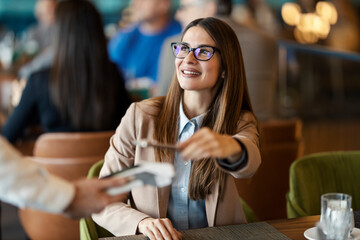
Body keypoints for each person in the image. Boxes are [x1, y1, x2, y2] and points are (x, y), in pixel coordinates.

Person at [93, 17, 261, 239]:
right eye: (184, 49)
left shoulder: (239, 121)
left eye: (203, 52)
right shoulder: (139, 117)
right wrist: (142, 223)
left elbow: (249, 163)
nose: (188, 59)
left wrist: (228, 146)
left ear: (225, 68)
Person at [1, 0, 131, 143]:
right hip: (104, 165)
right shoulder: (113, 75)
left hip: (50, 166)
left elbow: (7, 137)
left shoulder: (38, 82)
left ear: (59, 34)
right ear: (98, 32)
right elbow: (128, 130)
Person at [156, 0, 278, 120]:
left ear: (210, 8)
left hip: (206, 133)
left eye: (184, 7)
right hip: (269, 136)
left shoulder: (177, 45)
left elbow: (162, 105)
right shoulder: (266, 41)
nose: (178, 15)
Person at [0, 136, 128, 219]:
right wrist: (70, 196)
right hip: (99, 195)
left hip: (46, 218)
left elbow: (10, 132)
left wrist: (70, 196)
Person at [108, 0, 181, 95]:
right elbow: (108, 79)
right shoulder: (123, 38)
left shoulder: (180, 38)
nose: (136, 3)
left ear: (164, 4)